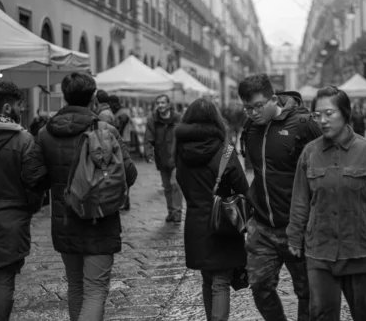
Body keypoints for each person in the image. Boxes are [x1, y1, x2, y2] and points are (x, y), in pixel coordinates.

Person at [24, 72, 138, 321]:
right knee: (96, 290)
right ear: (94, 97)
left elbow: (33, 176)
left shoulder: (44, 133)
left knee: (75, 286)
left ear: (65, 96)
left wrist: (58, 182)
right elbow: (130, 174)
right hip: (100, 218)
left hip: (65, 220)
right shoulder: (106, 130)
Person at [287, 86, 366, 321]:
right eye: (318, 115)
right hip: (320, 249)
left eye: (329, 113)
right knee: (321, 314)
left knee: (363, 313)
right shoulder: (309, 153)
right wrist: (295, 236)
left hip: (358, 248)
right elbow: (300, 200)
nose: (322, 120)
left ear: (346, 113)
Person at [238, 73, 322, 321]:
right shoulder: (250, 128)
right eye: (246, 108)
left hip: (298, 227)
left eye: (257, 106)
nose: (252, 112)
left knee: (307, 291)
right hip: (262, 226)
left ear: (273, 98)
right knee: (259, 287)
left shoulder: (304, 125)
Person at [175, 98, 249, 321]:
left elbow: (181, 182)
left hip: (196, 224)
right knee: (220, 282)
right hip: (223, 224)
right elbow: (243, 189)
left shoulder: (180, 150)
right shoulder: (225, 152)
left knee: (208, 279)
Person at [0, 82, 42, 321]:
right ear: (7, 108)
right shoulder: (24, 140)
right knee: (4, 278)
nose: (22, 110)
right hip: (10, 219)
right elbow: (34, 182)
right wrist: (29, 208)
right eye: (19, 105)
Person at [144, 94, 183, 223]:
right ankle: (171, 211)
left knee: (175, 184)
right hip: (162, 157)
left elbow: (184, 136)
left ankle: (177, 212)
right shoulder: (152, 120)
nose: (160, 105)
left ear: (168, 104)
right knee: (167, 187)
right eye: (158, 103)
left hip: (176, 157)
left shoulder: (178, 119)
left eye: (163, 102)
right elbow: (148, 138)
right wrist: (148, 153)